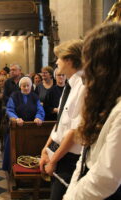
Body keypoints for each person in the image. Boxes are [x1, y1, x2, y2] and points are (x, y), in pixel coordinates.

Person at [64, 22, 121, 200]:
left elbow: (105, 178)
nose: (85, 70)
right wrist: (71, 192)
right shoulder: (106, 102)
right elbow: (85, 157)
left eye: (89, 61)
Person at [39, 39, 84, 200]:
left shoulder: (83, 86)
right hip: (58, 152)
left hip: (69, 159)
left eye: (59, 58)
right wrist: (46, 149)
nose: (56, 62)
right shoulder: (68, 85)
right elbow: (60, 124)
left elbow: (74, 131)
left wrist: (54, 160)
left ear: (69, 60)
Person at [2, 77, 45, 171]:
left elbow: (40, 109)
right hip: (17, 127)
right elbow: (9, 109)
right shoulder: (14, 95)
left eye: (28, 85)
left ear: (31, 86)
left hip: (31, 128)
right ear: (20, 86)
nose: (26, 88)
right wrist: (16, 119)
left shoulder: (35, 96)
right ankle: (12, 169)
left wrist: (38, 117)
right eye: (23, 86)